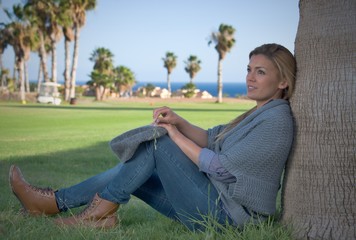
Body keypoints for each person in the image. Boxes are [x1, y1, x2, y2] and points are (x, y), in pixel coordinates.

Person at [9, 43, 296, 230]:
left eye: (260, 72)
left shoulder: (276, 120)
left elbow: (220, 166)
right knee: (135, 169)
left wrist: (172, 134)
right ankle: (85, 214)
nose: (250, 78)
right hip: (212, 205)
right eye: (249, 70)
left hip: (229, 218)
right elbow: (210, 138)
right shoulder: (257, 113)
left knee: (158, 145)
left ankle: (78, 211)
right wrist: (178, 121)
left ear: (283, 81)